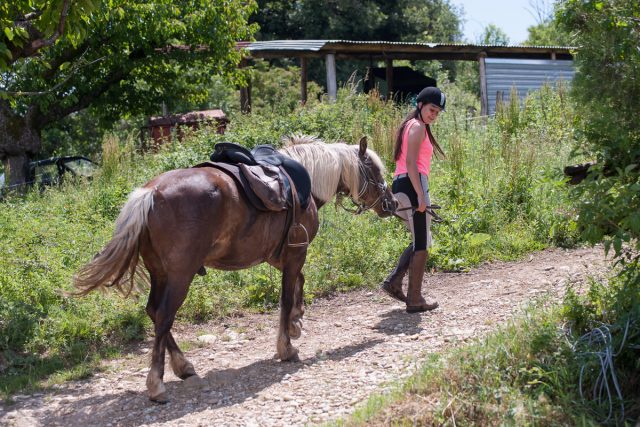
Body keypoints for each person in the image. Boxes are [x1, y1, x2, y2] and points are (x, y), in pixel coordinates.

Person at [381, 86, 446, 313]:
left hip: (401, 184)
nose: (434, 115)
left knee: (422, 238)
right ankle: (415, 298)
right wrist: (420, 194)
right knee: (422, 243)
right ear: (420, 105)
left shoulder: (412, 125)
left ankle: (395, 282)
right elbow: (411, 163)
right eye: (432, 109)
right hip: (412, 183)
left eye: (437, 112)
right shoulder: (418, 127)